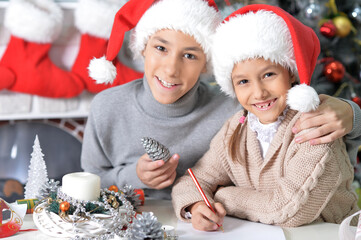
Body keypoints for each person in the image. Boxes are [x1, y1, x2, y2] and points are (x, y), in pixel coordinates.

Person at [81, 0, 361, 200]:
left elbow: (307, 130)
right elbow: (88, 182)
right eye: (160, 48)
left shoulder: (235, 108)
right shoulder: (107, 107)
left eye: (190, 55)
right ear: (142, 48)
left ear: (207, 65)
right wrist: (134, 176)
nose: (170, 69)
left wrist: (352, 114)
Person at [171, 4, 359, 231]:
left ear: (290, 72)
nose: (259, 93)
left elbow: (290, 210)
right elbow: (194, 179)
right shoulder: (237, 128)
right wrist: (197, 204)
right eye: (243, 81)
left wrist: (222, 196)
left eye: (269, 74)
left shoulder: (314, 124)